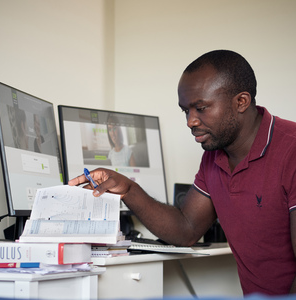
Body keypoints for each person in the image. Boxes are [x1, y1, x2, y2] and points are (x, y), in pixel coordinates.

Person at [69, 50, 296, 295]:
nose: (190, 121)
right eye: (185, 111)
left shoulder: (290, 149)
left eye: (201, 108)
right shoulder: (213, 156)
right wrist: (128, 189)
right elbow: (186, 229)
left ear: (241, 102)